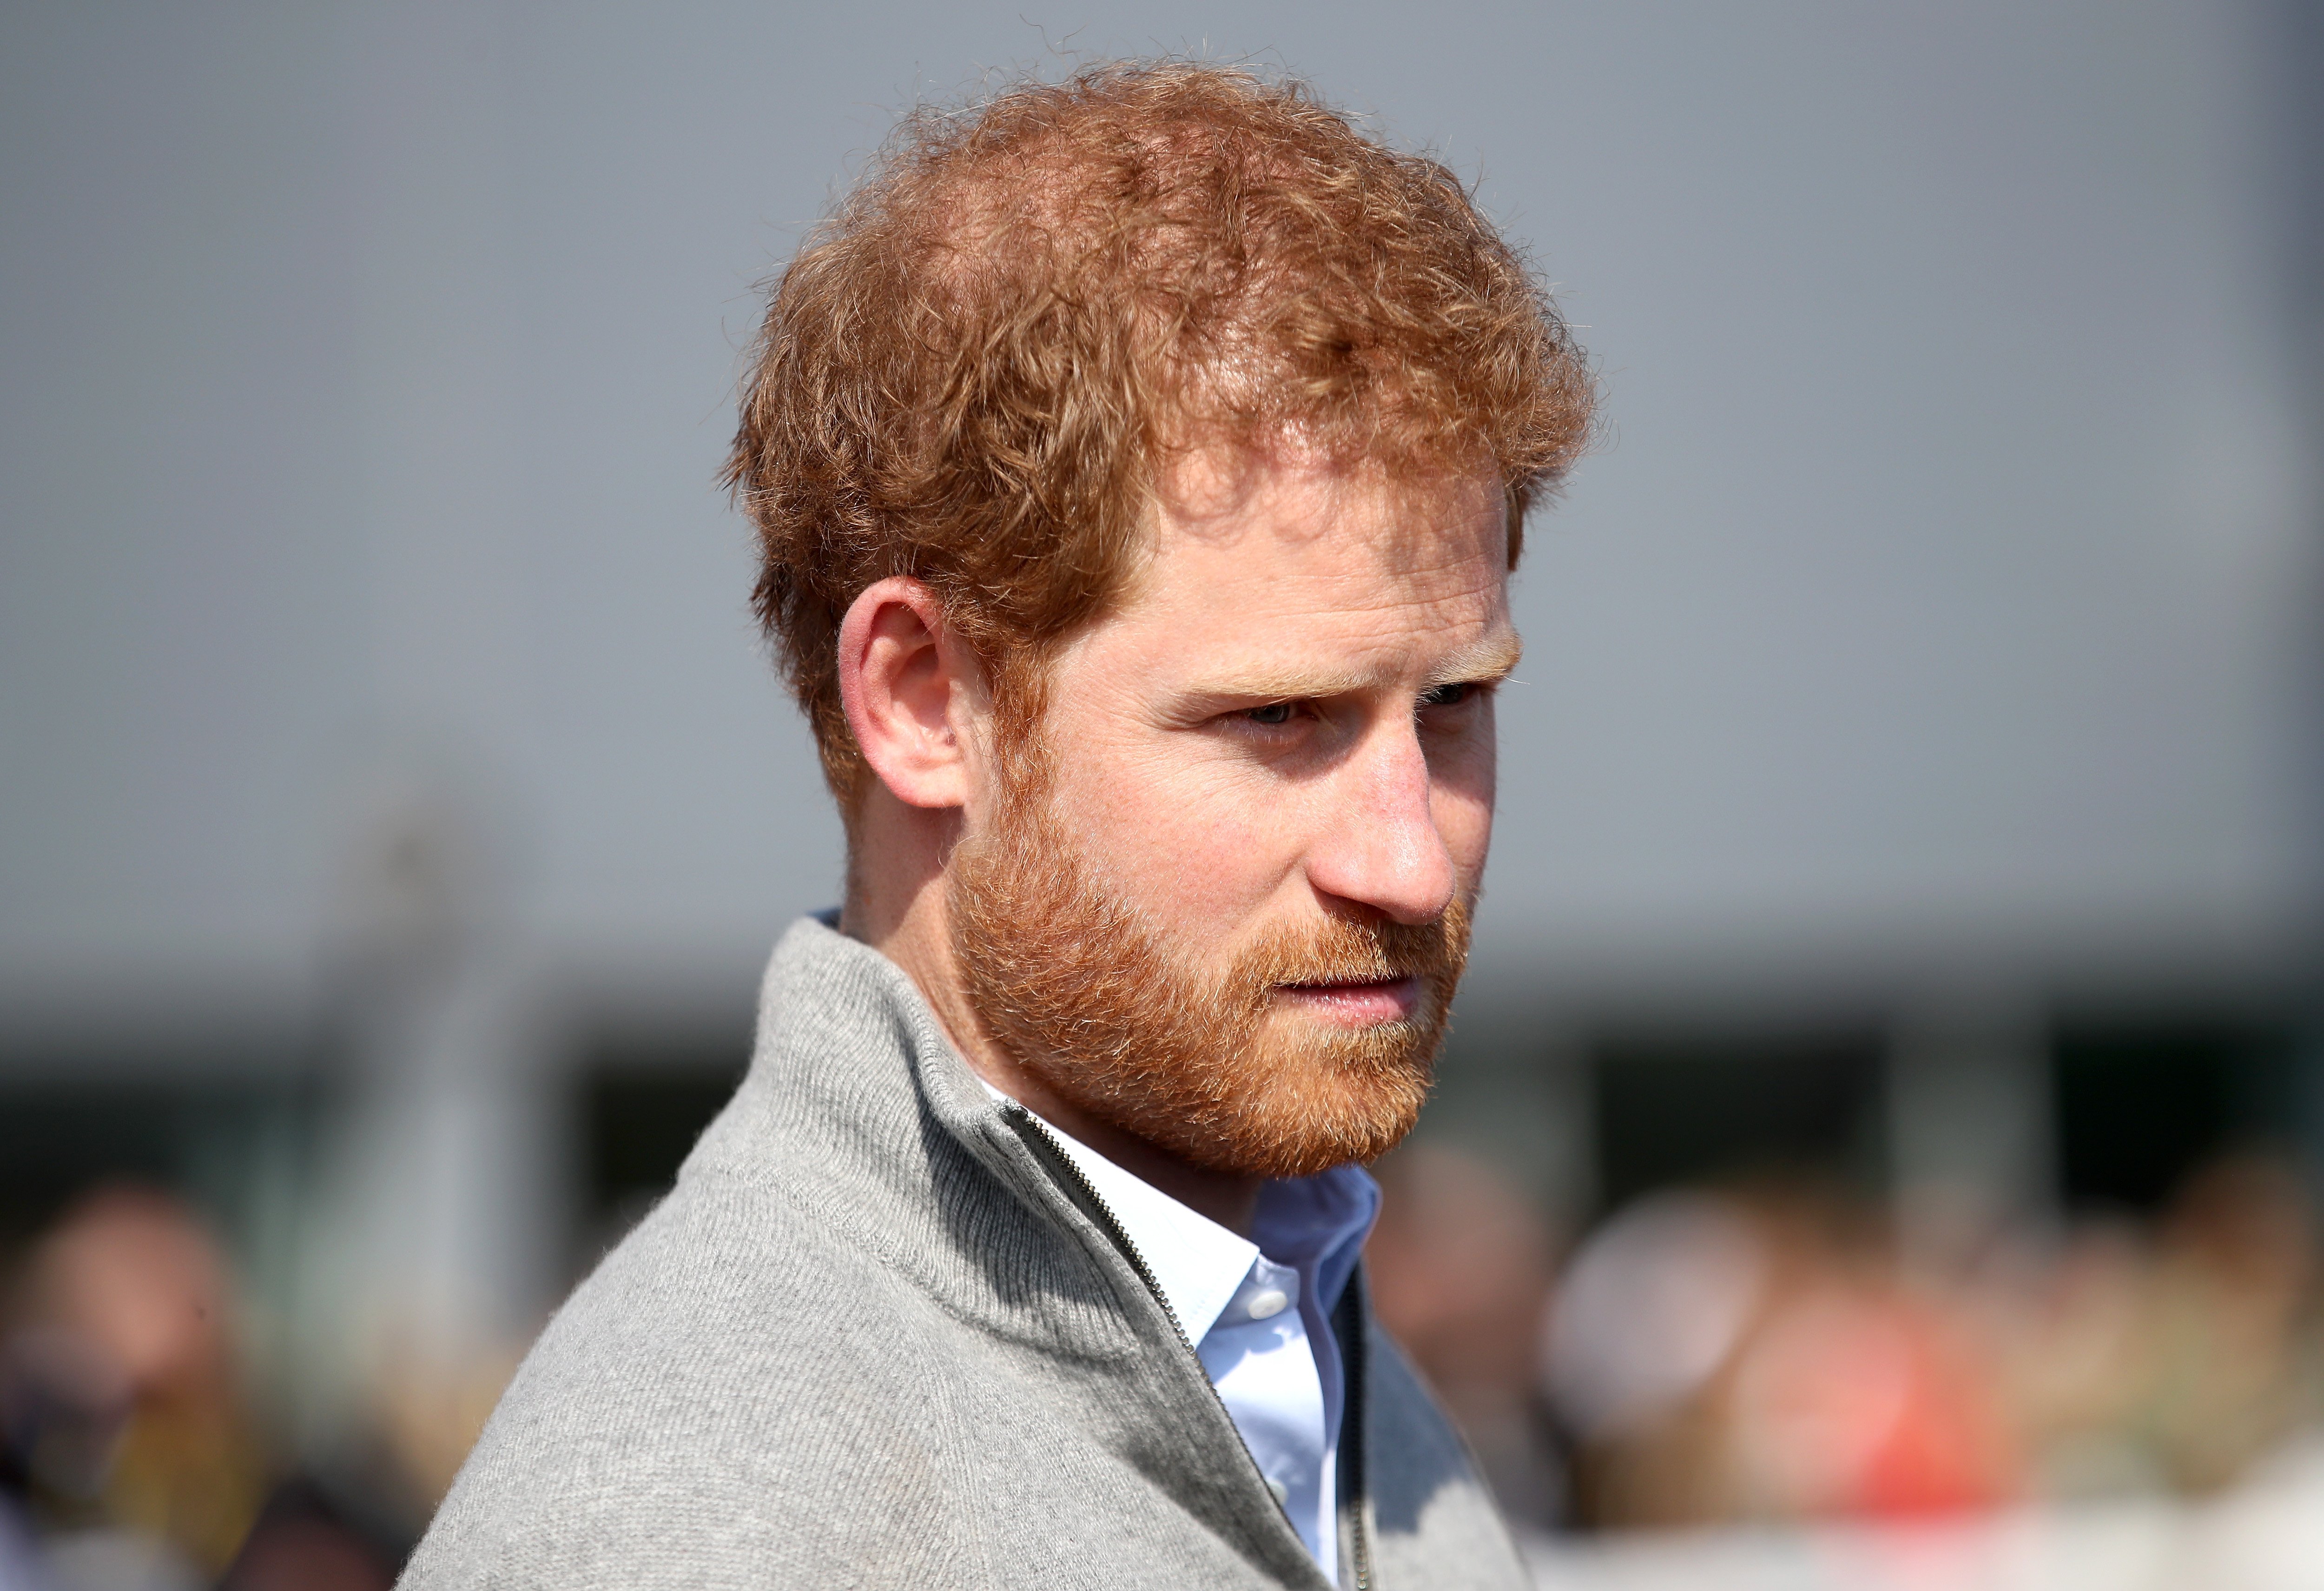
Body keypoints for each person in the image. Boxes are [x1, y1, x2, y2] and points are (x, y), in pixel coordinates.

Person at [400, 59, 1593, 1590]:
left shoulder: (1335, 1379)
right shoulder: (701, 1525)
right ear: (920, 699)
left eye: (1451, 706)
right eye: (1276, 719)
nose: (1409, 856)